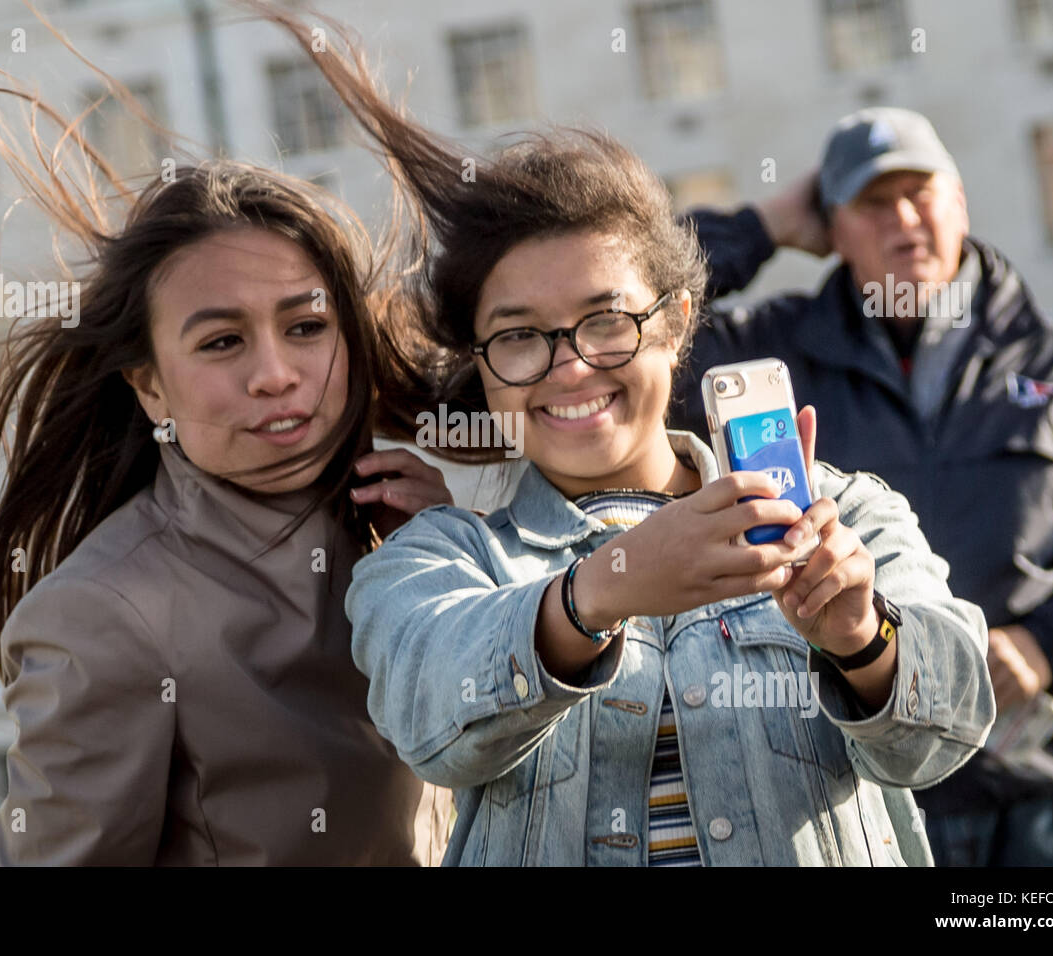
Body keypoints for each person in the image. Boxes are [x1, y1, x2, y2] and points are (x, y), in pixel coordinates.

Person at [256, 8, 996, 865]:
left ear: (677, 327)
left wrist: (860, 636)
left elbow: (951, 725)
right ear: (483, 364)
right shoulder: (442, 557)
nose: (569, 369)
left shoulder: (841, 514)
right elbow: (431, 722)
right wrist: (600, 590)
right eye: (522, 336)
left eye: (606, 323)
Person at [0, 76, 454, 864]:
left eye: (308, 326)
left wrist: (451, 560)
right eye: (222, 342)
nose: (277, 374)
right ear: (150, 386)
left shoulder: (419, 521)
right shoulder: (103, 615)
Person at [672, 107, 1053, 866]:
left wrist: (1049, 645)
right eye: (874, 203)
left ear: (961, 202)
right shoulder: (773, 355)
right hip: (865, 784)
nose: (905, 218)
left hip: (1042, 784)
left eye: (922, 192)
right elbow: (641, 311)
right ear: (830, 229)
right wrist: (767, 223)